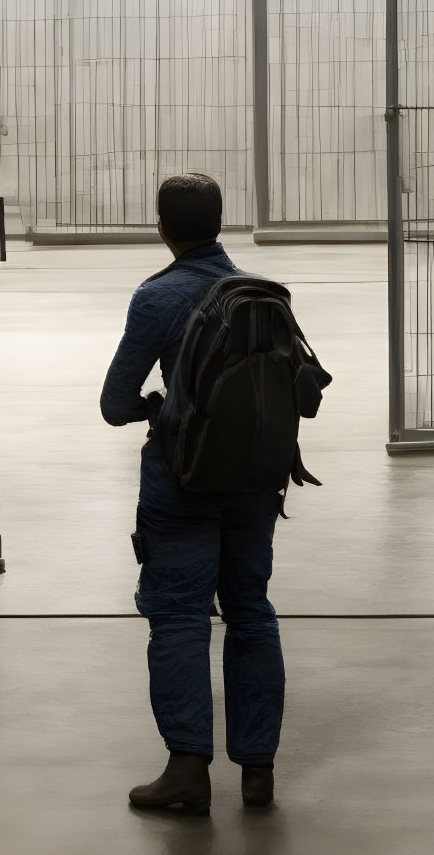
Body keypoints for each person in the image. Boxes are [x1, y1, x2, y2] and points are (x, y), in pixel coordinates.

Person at [100, 172, 283, 815]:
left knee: (179, 616)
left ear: (162, 229)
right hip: (256, 481)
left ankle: (188, 771)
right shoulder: (261, 295)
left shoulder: (159, 297)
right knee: (250, 609)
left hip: (182, 480)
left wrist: (155, 407)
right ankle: (257, 773)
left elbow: (114, 403)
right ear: (221, 222)